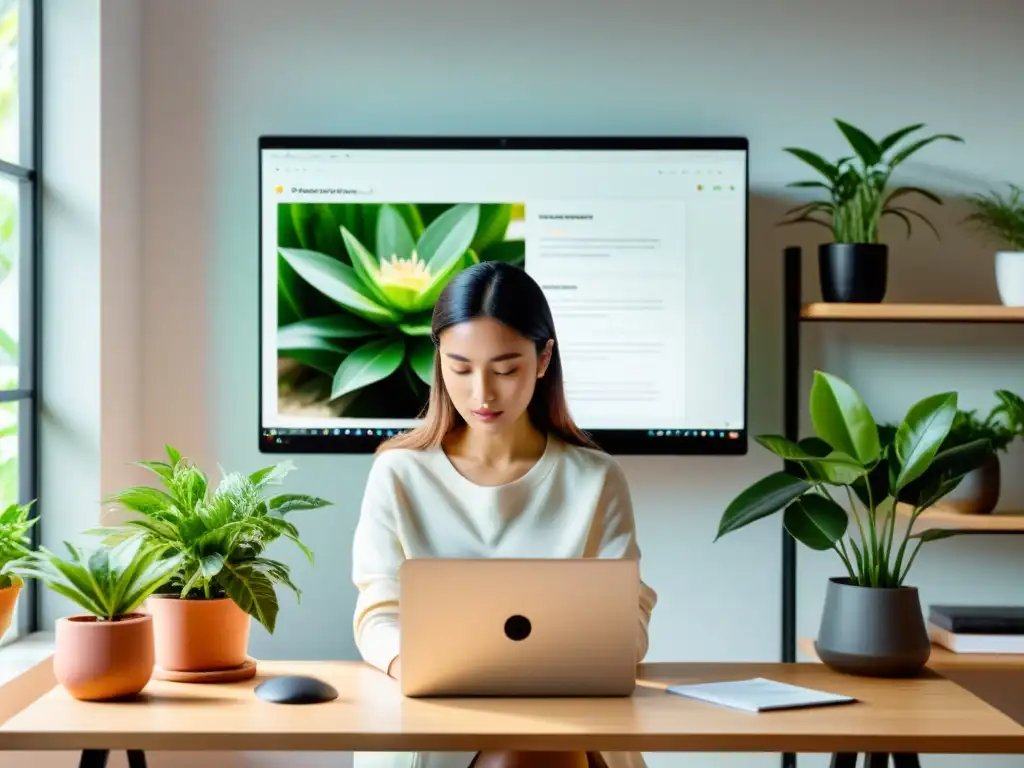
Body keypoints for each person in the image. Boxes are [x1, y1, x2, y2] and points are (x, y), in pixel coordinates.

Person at [351, 261, 658, 768]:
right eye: (460, 367)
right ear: (439, 361)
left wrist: (561, 673)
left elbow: (627, 624)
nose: (482, 394)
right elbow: (378, 617)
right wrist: (426, 672)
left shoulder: (595, 479)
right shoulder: (399, 474)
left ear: (543, 359)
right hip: (434, 715)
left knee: (530, 750)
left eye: (506, 368)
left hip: (561, 721)